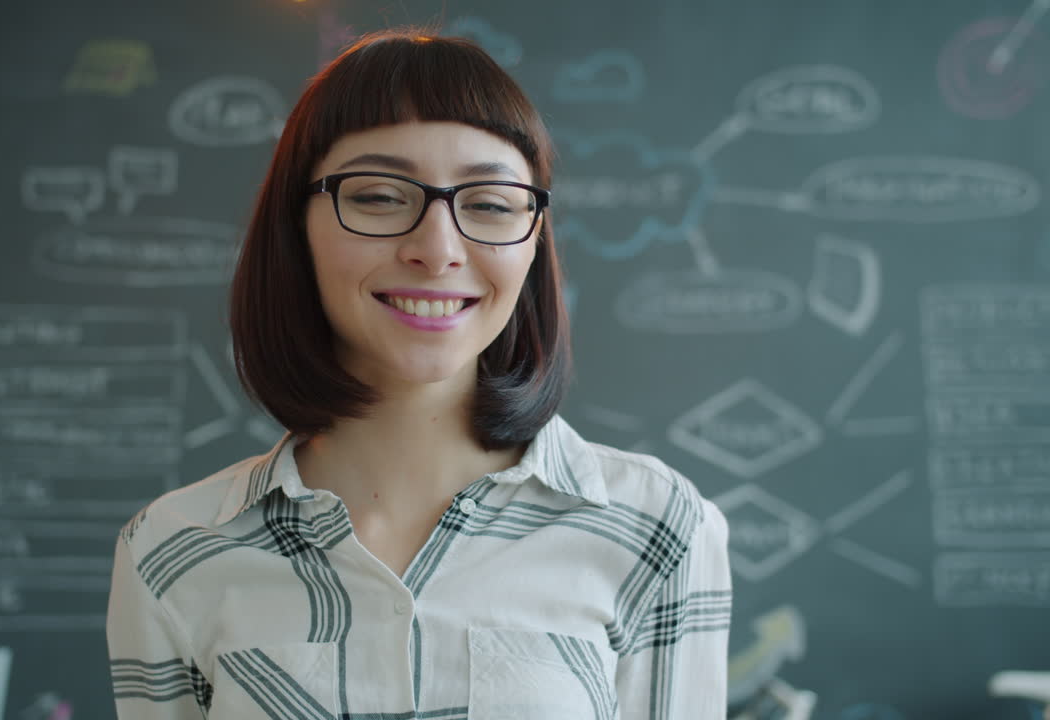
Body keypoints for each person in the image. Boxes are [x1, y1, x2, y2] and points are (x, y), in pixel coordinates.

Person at [107, 28, 732, 719]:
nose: (437, 250)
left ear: (533, 243)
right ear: (296, 228)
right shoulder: (172, 548)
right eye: (379, 197)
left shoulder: (658, 527)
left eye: (490, 204)